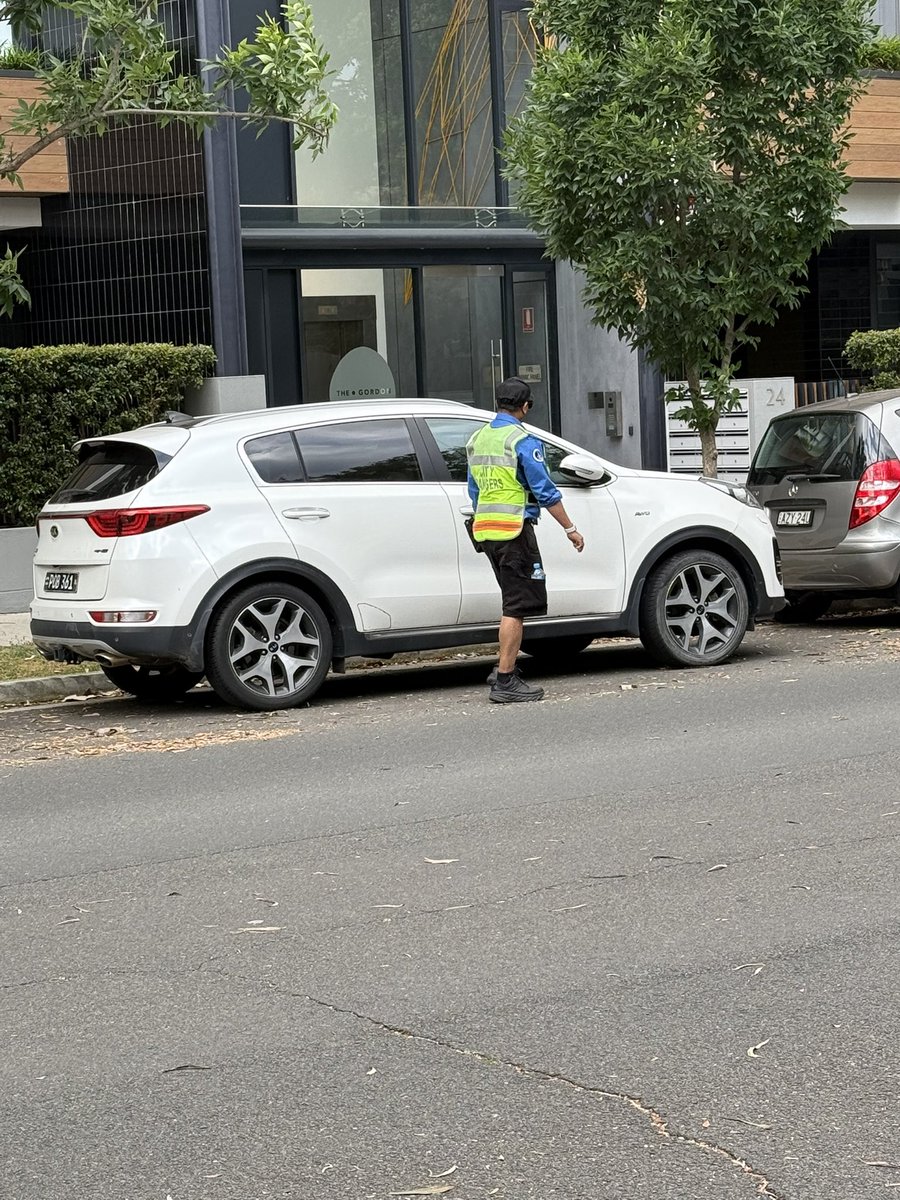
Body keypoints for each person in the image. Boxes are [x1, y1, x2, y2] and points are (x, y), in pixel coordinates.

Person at [466, 377, 585, 704]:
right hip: (513, 531)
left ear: (498, 402)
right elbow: (544, 489)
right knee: (515, 607)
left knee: (512, 600)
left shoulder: (478, 438)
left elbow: (474, 491)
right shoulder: (520, 440)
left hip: (487, 530)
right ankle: (504, 680)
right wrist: (570, 528)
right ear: (525, 406)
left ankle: (503, 668)